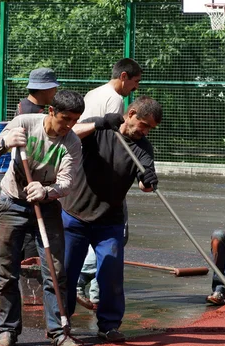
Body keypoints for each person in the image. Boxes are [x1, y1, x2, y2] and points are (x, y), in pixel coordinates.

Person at [0, 90, 85, 346]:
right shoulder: (25, 123)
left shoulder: (72, 142)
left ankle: (60, 333)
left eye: (75, 120)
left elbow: (68, 181)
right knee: (6, 273)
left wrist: (47, 192)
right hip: (12, 203)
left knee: (55, 270)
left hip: (47, 207)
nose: (69, 125)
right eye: (65, 119)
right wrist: (5, 142)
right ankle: (7, 331)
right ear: (51, 112)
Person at [61, 96, 162, 342]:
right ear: (131, 113)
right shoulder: (100, 128)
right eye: (144, 124)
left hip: (109, 221)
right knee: (65, 272)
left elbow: (143, 183)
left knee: (111, 273)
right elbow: (68, 133)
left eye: (150, 128)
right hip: (74, 214)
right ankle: (61, 324)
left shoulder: (143, 147)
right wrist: (98, 124)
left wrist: (149, 181)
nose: (145, 131)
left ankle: (109, 325)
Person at [0, 67, 61, 287]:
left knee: (26, 237)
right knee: (29, 238)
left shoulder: (33, 107)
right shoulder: (32, 113)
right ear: (44, 88)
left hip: (29, 181)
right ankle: (1, 268)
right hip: (25, 182)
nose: (55, 91)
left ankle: (2, 267)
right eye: (53, 87)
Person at [74, 58, 142, 310]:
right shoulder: (115, 100)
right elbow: (111, 140)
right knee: (116, 233)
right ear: (124, 76)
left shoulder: (94, 92)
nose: (135, 88)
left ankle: (96, 293)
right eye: (135, 83)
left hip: (83, 167)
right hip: (101, 171)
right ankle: (85, 278)